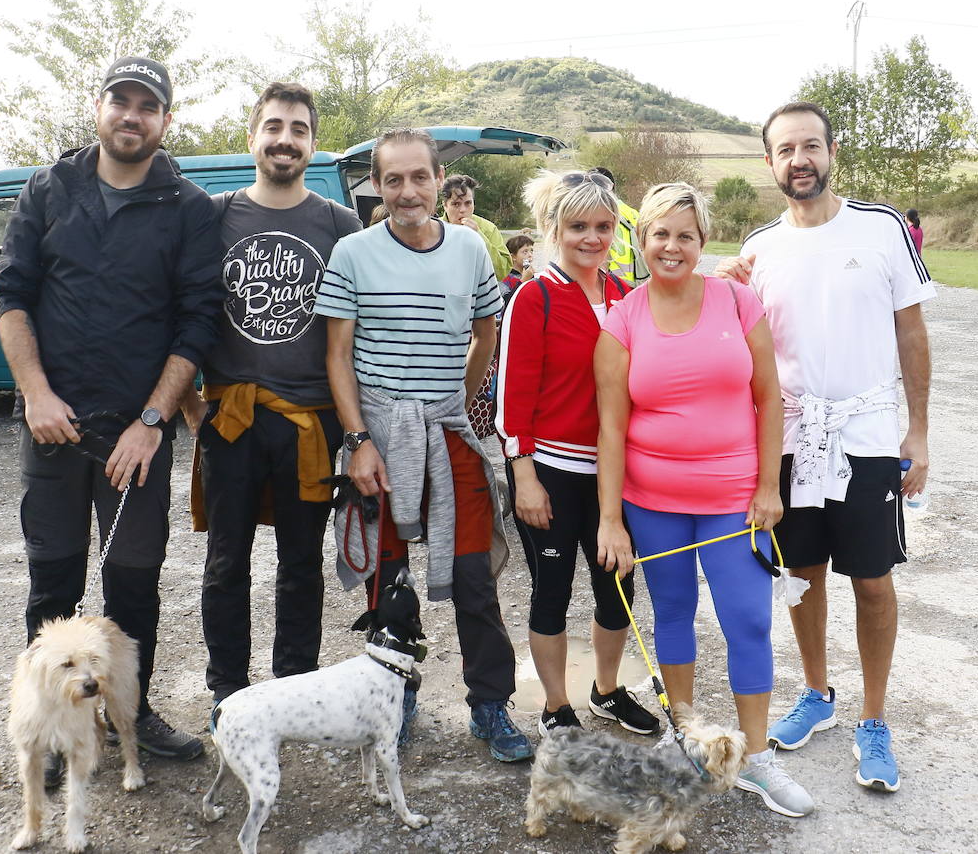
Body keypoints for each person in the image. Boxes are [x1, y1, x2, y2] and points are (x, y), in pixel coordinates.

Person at [0, 56, 221, 778]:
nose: (131, 115)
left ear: (164, 121)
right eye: (119, 101)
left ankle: (133, 715)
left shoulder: (187, 207)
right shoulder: (48, 189)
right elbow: (11, 295)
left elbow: (196, 322)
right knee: (52, 585)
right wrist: (34, 392)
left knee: (132, 586)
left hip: (134, 439)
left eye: (146, 106)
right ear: (98, 108)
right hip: (53, 431)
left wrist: (153, 420)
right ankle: (56, 728)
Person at [716, 101, 934, 794]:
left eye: (811, 145)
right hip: (789, 439)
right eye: (785, 150)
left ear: (832, 150)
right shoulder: (758, 248)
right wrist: (722, 289)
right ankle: (817, 694)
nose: (799, 159)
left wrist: (918, 430)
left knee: (872, 580)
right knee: (801, 576)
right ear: (771, 163)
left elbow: (911, 333)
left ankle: (873, 720)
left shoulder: (880, 229)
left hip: (866, 436)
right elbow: (735, 348)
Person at [594, 182, 814, 818]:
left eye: (685, 235)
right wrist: (612, 518)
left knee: (748, 620)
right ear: (641, 242)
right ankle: (685, 741)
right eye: (660, 234)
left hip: (734, 502)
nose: (672, 246)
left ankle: (755, 757)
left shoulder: (739, 303)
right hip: (652, 503)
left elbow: (770, 397)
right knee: (674, 615)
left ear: (702, 241)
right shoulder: (623, 319)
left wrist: (769, 486)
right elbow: (610, 427)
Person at [314, 128, 534, 763]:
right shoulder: (353, 253)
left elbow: (486, 332)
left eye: (419, 177)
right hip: (380, 433)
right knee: (390, 580)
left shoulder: (469, 249)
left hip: (449, 434)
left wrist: (459, 403)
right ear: (377, 187)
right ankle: (397, 701)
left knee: (473, 576)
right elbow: (338, 356)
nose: (407, 191)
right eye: (393, 180)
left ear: (440, 180)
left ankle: (489, 706)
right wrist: (357, 440)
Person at [182, 82, 363, 710]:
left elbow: (353, 334)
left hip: (312, 423)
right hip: (230, 416)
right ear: (254, 135)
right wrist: (189, 408)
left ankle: (291, 687)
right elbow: (185, 312)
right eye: (275, 126)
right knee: (226, 559)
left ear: (312, 143)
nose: (286, 139)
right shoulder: (214, 214)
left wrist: (356, 428)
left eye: (299, 129)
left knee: (300, 562)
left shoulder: (341, 224)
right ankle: (227, 690)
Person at [495, 170, 658, 740]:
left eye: (604, 226)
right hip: (553, 473)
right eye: (579, 226)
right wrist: (524, 476)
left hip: (616, 475)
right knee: (552, 591)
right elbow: (511, 396)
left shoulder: (622, 294)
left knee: (618, 586)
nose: (593, 237)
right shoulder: (534, 297)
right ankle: (555, 705)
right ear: (553, 228)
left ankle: (607, 691)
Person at [440, 173, 511, 281]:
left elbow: (502, 271)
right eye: (456, 204)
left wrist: (479, 236)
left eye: (468, 203)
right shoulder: (433, 229)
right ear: (445, 205)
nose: (463, 210)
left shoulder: (488, 229)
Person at [591, 166, 649, 288]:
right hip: (638, 283)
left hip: (614, 284)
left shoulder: (605, 214)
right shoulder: (632, 213)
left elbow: (602, 260)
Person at [499, 233, 534, 303]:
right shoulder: (504, 278)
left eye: (531, 251)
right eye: (525, 251)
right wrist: (523, 281)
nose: (530, 255)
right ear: (513, 257)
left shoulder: (533, 275)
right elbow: (508, 301)